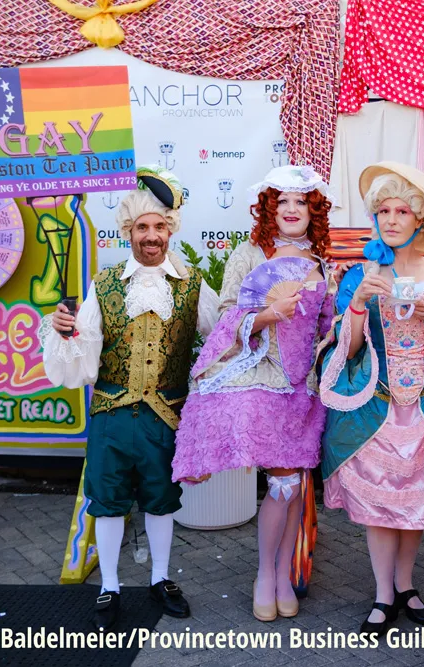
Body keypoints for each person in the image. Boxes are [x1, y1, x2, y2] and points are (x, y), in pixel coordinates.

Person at [40, 165, 220, 630]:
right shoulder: (104, 285)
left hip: (166, 416)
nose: (152, 235)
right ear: (129, 232)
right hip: (111, 416)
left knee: (161, 498)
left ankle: (160, 578)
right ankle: (110, 585)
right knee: (108, 500)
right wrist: (64, 331)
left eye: (159, 226)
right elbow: (83, 355)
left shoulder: (193, 284)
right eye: (143, 227)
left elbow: (222, 338)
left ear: (170, 229)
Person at [318, 161, 424, 636]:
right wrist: (358, 303)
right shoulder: (361, 275)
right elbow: (347, 349)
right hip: (376, 406)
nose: (391, 220)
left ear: (420, 218)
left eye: (401, 211)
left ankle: (405, 584)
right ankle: (382, 594)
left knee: (414, 501)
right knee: (380, 507)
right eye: (384, 211)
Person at [170, 165, 336, 622]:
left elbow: (326, 328)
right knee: (282, 484)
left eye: (300, 201)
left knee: (294, 485)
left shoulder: (322, 264)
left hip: (305, 389)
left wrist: (340, 321)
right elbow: (226, 317)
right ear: (268, 208)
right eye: (282, 201)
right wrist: (268, 313)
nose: (291, 209)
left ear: (313, 210)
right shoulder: (249, 253)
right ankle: (265, 574)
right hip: (262, 379)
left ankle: (284, 574)